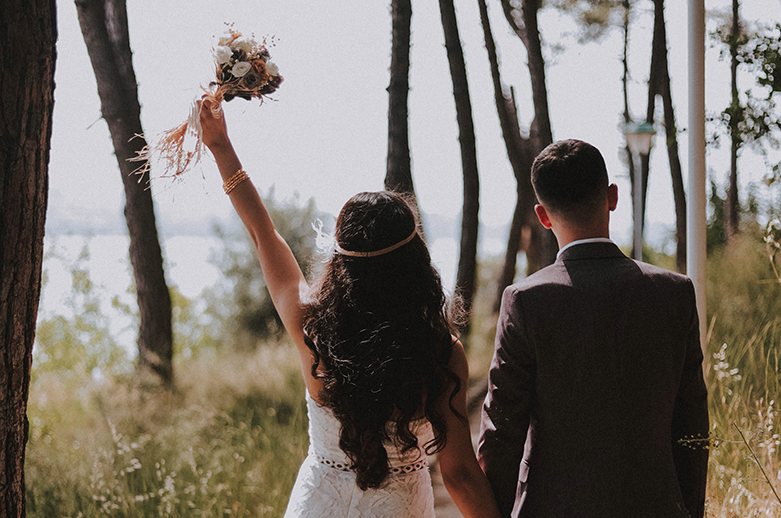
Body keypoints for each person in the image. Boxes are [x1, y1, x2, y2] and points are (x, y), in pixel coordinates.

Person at [197, 97, 501, 518]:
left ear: (341, 262)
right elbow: (460, 476)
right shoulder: (440, 351)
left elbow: (262, 232)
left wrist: (222, 149)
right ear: (415, 261)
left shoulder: (312, 327)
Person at [478, 139, 709, 517]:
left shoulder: (525, 301)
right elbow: (692, 427)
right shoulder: (674, 294)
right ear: (613, 196)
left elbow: (501, 435)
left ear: (543, 216)